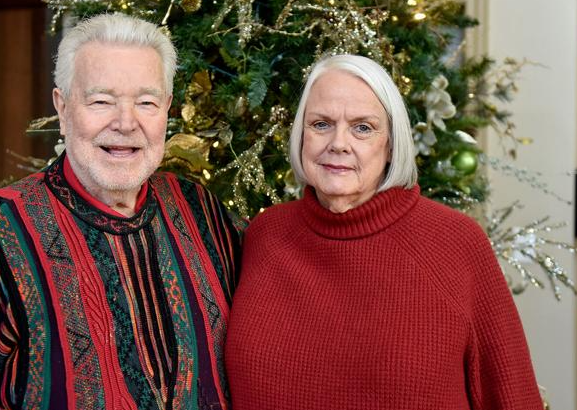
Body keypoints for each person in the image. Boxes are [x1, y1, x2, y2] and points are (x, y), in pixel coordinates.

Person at [0, 13, 244, 410]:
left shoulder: (205, 215)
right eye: (101, 101)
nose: (126, 123)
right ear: (62, 108)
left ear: (166, 109)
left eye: (146, 102)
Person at [224, 54, 543, 410]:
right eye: (321, 124)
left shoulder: (455, 242)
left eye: (363, 127)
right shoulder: (265, 234)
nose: (339, 143)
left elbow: (513, 396)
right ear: (301, 136)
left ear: (391, 144)